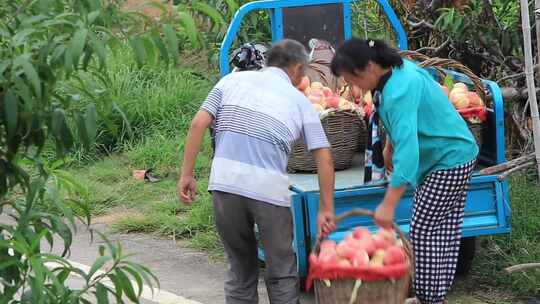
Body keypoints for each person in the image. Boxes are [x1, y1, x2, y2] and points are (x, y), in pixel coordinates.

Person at [177, 39, 336, 304]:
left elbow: (198, 124)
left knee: (240, 269)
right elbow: (324, 158)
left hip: (224, 184)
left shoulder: (229, 82)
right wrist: (326, 208)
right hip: (268, 190)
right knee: (281, 272)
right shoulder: (300, 102)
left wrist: (186, 175)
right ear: (297, 68)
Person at [330, 38, 479, 304]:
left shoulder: (400, 88)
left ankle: (428, 298)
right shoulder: (393, 72)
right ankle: (433, 296)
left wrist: (388, 204)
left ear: (369, 67)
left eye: (353, 79)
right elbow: (403, 121)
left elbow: (409, 156)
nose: (354, 87)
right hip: (454, 152)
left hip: (448, 159)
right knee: (442, 230)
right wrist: (389, 145)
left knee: (423, 229)